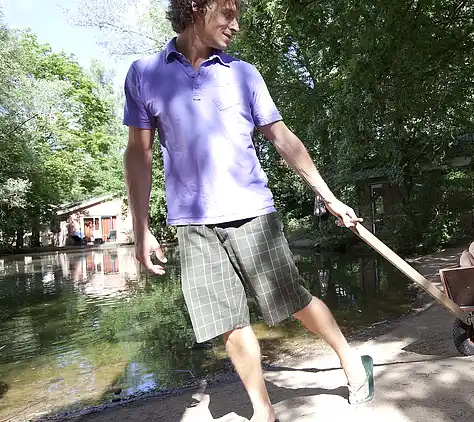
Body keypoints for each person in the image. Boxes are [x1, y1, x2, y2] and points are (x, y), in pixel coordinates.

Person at [121, 1, 373, 421]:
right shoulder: (144, 75)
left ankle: (349, 359)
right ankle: (264, 411)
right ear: (196, 8)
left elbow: (283, 138)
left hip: (252, 213)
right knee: (228, 322)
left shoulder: (243, 74)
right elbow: (138, 154)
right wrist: (140, 226)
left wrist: (329, 197)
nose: (235, 25)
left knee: (295, 300)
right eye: (226, 12)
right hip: (193, 223)